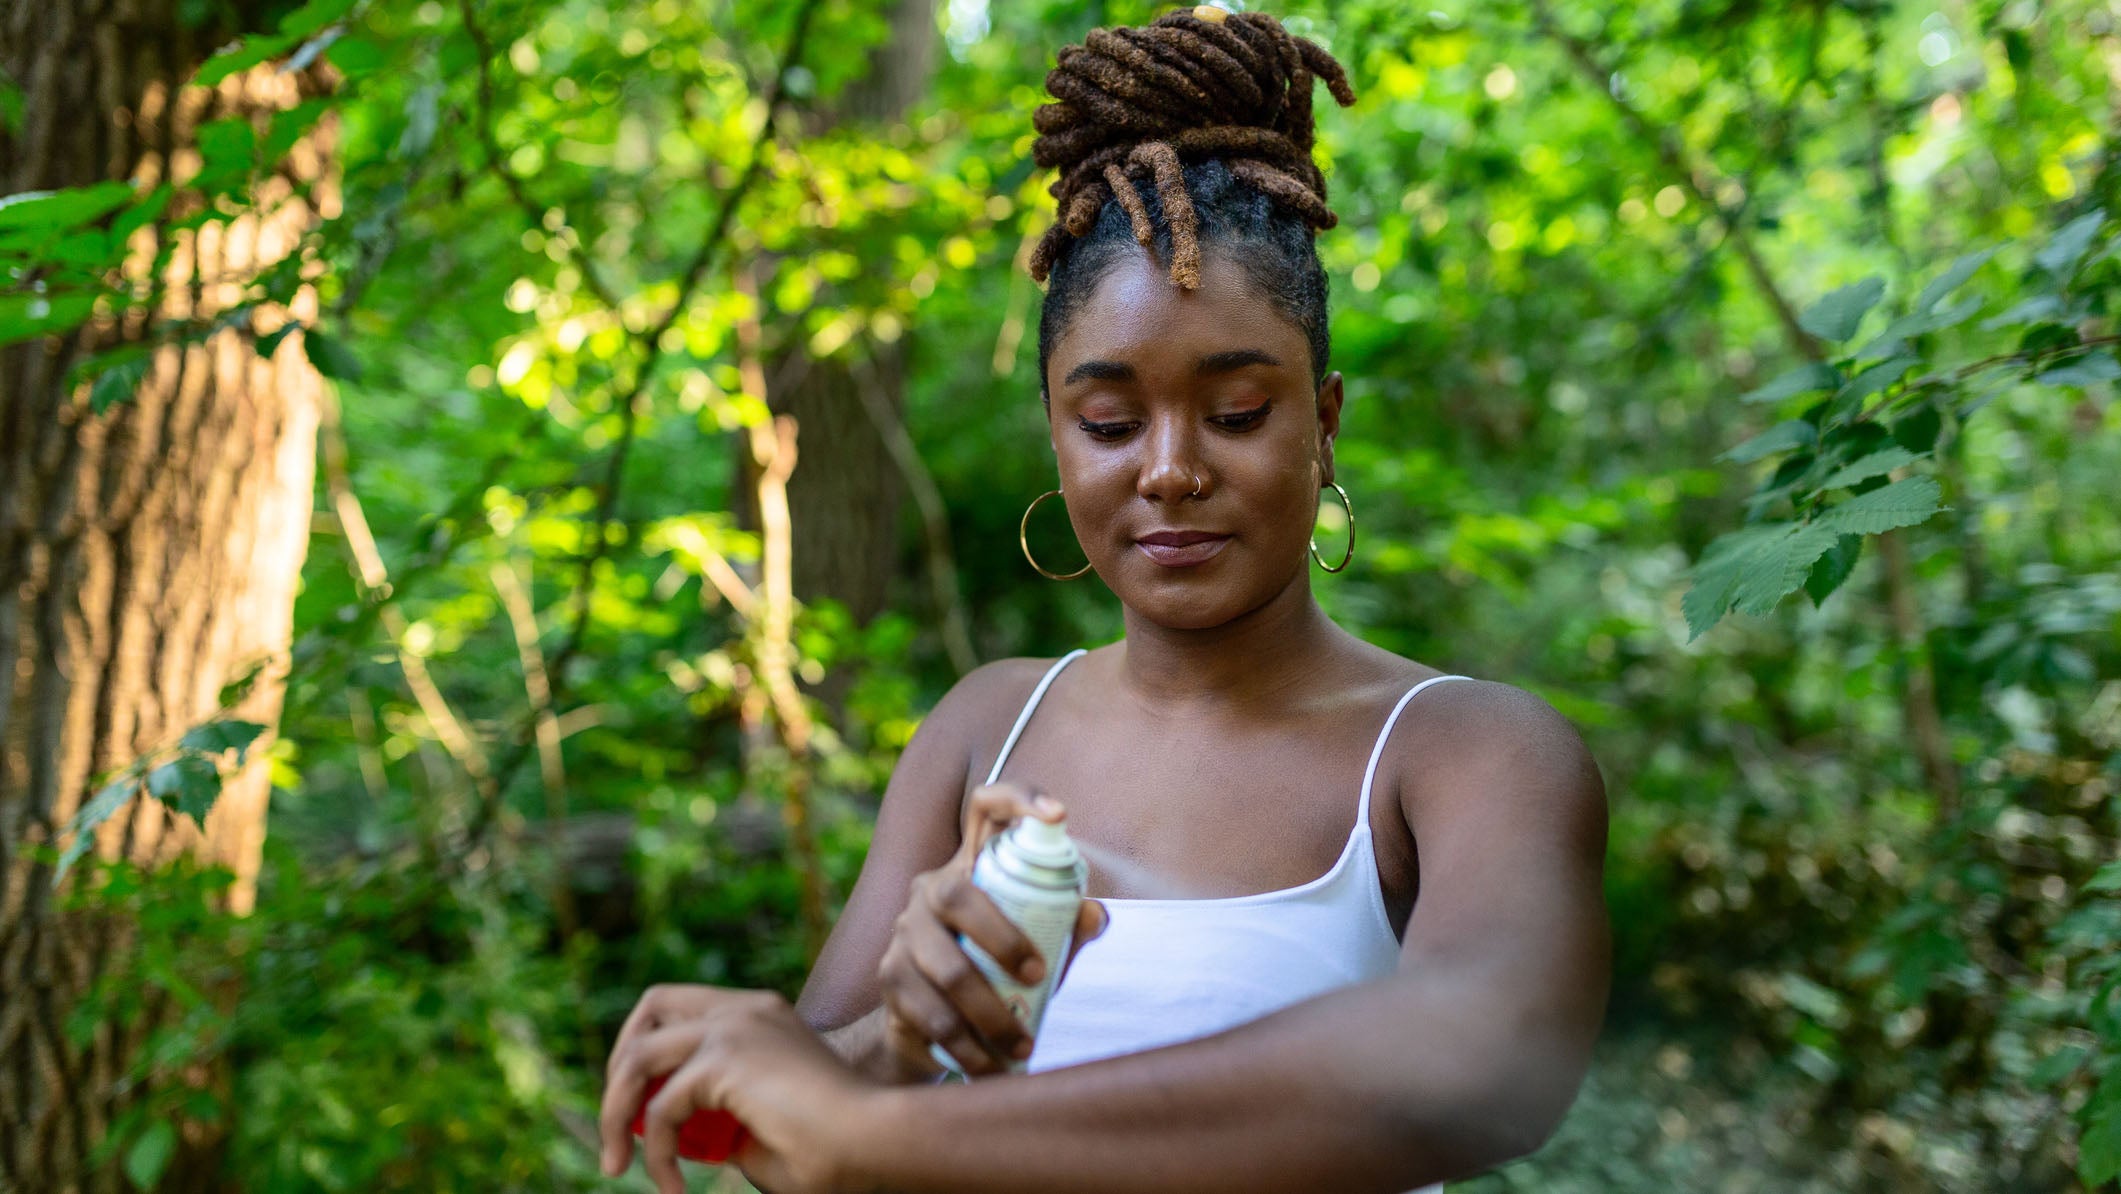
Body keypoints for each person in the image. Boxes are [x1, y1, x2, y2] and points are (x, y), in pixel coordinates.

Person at [598, 9, 1609, 1192]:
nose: (1170, 468)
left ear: (1324, 424)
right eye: (1111, 423)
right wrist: (898, 1044)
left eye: (1236, 413)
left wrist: (889, 1134)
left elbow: (1489, 1059)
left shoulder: (1464, 751)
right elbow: (805, 1127)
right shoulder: (988, 728)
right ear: (1058, 439)